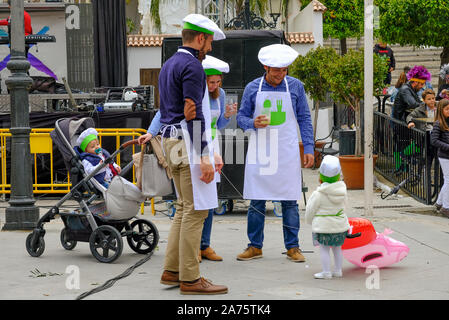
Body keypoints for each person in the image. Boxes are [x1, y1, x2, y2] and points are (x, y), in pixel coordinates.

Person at [139, 13, 228, 295]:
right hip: (186, 142)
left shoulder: (168, 64)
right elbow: (193, 113)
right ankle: (190, 278)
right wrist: (205, 156)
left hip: (170, 140)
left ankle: (172, 270)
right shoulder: (192, 66)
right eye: (209, 42)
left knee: (183, 207)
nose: (210, 48)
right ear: (200, 38)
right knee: (197, 210)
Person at [139, 55, 237, 263]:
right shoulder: (192, 89)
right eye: (211, 82)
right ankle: (190, 251)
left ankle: (204, 245)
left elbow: (217, 125)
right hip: (191, 145)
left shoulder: (221, 95)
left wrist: (227, 117)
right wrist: (150, 133)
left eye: (218, 82)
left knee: (210, 200)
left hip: (211, 145)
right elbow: (162, 113)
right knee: (192, 202)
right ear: (203, 79)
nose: (215, 86)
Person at [236, 44, 314, 263]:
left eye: (284, 70)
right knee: (257, 200)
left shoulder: (296, 87)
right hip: (261, 150)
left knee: (290, 199)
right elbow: (241, 118)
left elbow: (304, 118)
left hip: (287, 150)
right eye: (276, 70)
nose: (280, 74)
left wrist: (308, 147)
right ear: (265, 67)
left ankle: (293, 246)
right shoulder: (253, 88)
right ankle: (254, 246)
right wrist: (252, 122)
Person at [305, 155, 350, 279]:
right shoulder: (342, 192)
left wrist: (309, 221)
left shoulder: (318, 194)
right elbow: (345, 208)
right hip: (340, 226)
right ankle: (338, 270)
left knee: (324, 249)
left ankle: (326, 272)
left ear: (320, 177)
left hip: (323, 227)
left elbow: (310, 210)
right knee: (337, 248)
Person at [430, 99, 449, 218]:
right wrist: (447, 147)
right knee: (448, 180)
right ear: (441, 110)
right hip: (445, 156)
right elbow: (434, 141)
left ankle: (439, 203)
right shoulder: (438, 124)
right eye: (447, 109)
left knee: (447, 180)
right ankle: (446, 207)